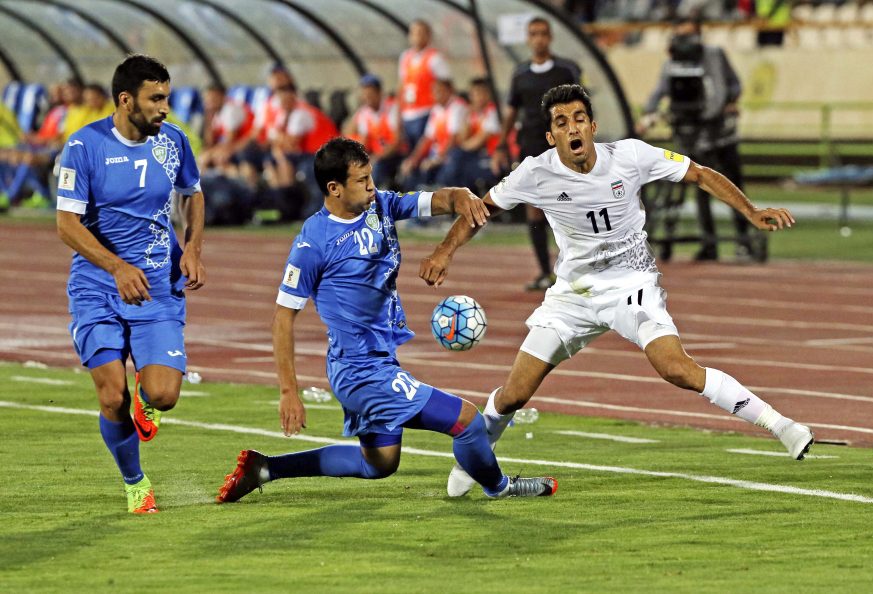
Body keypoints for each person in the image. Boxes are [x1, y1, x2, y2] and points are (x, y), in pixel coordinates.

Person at [418, 84, 814, 497]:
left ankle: (781, 425)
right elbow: (478, 209)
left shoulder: (630, 156)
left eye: (577, 118)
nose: (571, 128)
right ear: (551, 137)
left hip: (632, 283)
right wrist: (445, 251)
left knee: (676, 369)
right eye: (560, 122)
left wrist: (750, 211)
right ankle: (474, 460)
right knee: (514, 394)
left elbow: (699, 173)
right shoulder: (535, 173)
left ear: (592, 125)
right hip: (573, 295)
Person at [216, 138, 557, 503]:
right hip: (361, 372)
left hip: (375, 363)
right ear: (334, 189)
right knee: (468, 422)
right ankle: (501, 488)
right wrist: (288, 391)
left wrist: (464, 200)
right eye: (362, 180)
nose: (371, 186)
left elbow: (441, 199)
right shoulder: (313, 242)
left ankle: (265, 468)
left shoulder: (380, 206)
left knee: (378, 463)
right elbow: (283, 318)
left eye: (371, 176)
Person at [55, 55, 206, 514]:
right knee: (111, 395)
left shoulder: (174, 142)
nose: (165, 107)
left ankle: (150, 397)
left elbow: (192, 193)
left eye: (167, 97)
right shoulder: (83, 147)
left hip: (158, 284)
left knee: (163, 394)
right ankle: (135, 482)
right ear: (126, 100)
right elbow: (66, 224)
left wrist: (194, 247)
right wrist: (117, 267)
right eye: (155, 98)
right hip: (98, 286)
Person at [636, 17, 753, 261]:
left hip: (721, 134)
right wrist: (648, 114)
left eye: (688, 35)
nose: (684, 42)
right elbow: (660, 91)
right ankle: (709, 244)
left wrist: (725, 105)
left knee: (734, 186)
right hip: (692, 136)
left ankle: (745, 241)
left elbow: (729, 87)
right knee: (702, 190)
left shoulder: (714, 56)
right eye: (680, 36)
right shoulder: (672, 63)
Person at [495, 16, 582, 291]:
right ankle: (546, 272)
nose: (539, 39)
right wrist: (501, 144)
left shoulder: (566, 70)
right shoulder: (520, 74)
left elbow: (581, 105)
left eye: (543, 33)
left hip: (563, 147)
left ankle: (579, 268)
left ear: (550, 37)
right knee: (534, 210)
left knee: (572, 205)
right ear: (528, 39)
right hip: (531, 147)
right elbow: (511, 111)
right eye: (533, 34)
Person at [397, 19, 451, 153]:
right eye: (414, 33)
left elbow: (447, 86)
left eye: (420, 33)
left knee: (422, 152)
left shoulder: (435, 58)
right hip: (408, 114)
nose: (416, 36)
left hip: (426, 112)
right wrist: (399, 111)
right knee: (409, 151)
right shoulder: (405, 57)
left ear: (428, 36)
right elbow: (402, 85)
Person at [342, 73, 403, 190]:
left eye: (370, 95)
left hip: (394, 155)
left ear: (379, 93)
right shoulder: (365, 113)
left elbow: (397, 142)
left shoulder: (392, 109)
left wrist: (377, 157)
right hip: (377, 156)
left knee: (375, 168)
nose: (367, 98)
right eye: (365, 95)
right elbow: (363, 141)